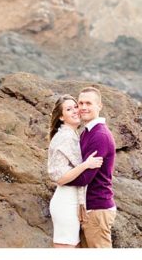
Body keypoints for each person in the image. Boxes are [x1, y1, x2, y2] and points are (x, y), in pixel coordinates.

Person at [47, 95, 103, 248]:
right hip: (65, 202)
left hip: (71, 201)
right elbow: (58, 177)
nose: (75, 111)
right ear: (61, 117)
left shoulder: (73, 135)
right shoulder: (65, 136)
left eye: (75, 107)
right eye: (68, 109)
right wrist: (85, 165)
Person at [65, 87, 117, 248]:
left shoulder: (99, 135)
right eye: (80, 103)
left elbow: (85, 177)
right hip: (89, 207)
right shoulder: (87, 132)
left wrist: (60, 179)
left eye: (88, 103)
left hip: (97, 208)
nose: (83, 107)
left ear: (99, 106)